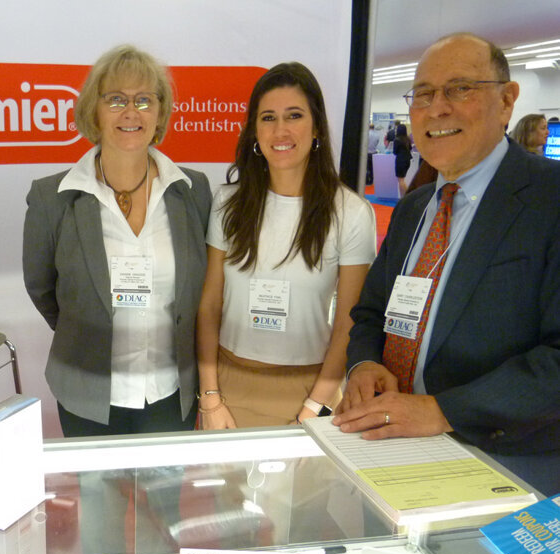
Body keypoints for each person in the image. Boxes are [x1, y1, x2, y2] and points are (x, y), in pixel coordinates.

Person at [335, 33, 560, 496]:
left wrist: (444, 410)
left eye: (460, 88)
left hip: (510, 465)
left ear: (506, 100)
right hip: (395, 449)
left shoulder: (549, 199)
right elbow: (370, 312)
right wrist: (363, 364)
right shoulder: (415, 209)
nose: (437, 108)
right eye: (424, 93)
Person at [23, 44, 211, 437]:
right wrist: (89, 327)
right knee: (97, 500)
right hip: (87, 393)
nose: (131, 111)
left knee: (164, 499)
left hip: (169, 392)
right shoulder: (52, 198)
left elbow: (204, 288)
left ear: (160, 111)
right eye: (116, 99)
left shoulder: (193, 191)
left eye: (144, 99)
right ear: (94, 109)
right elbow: (42, 288)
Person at [195, 62, 376, 429]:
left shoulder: (351, 212)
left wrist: (314, 407)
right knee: (226, 489)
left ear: (316, 127)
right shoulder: (227, 203)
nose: (280, 130)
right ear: (254, 131)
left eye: (294, 115)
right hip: (229, 390)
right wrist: (210, 396)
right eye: (268, 118)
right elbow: (210, 305)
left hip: (311, 391)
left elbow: (348, 324)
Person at [393, 123, 412, 196]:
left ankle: (404, 197)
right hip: (407, 160)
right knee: (402, 180)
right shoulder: (407, 139)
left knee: (401, 181)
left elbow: (395, 152)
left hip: (400, 160)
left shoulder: (397, 140)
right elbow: (410, 148)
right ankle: (406, 196)